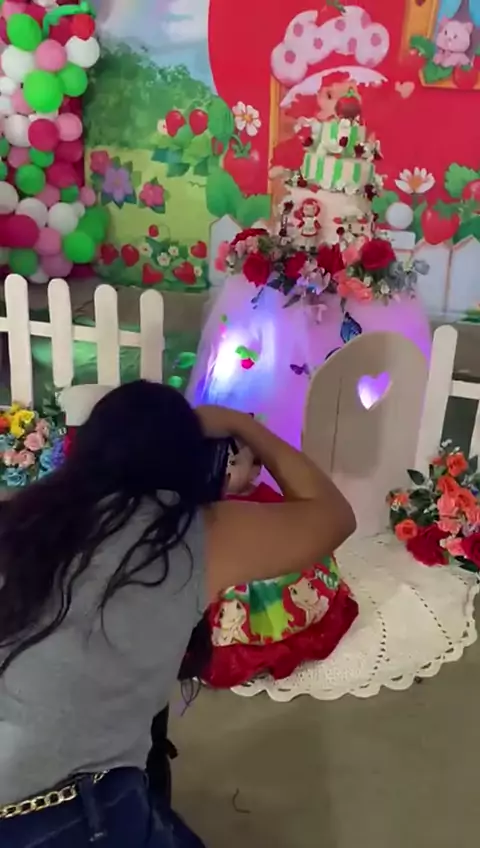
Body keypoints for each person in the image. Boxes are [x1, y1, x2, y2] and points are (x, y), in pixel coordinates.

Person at [0, 380, 355, 847]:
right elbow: (335, 516)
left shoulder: (24, 515)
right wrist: (242, 425)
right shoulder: (187, 532)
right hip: (59, 812)